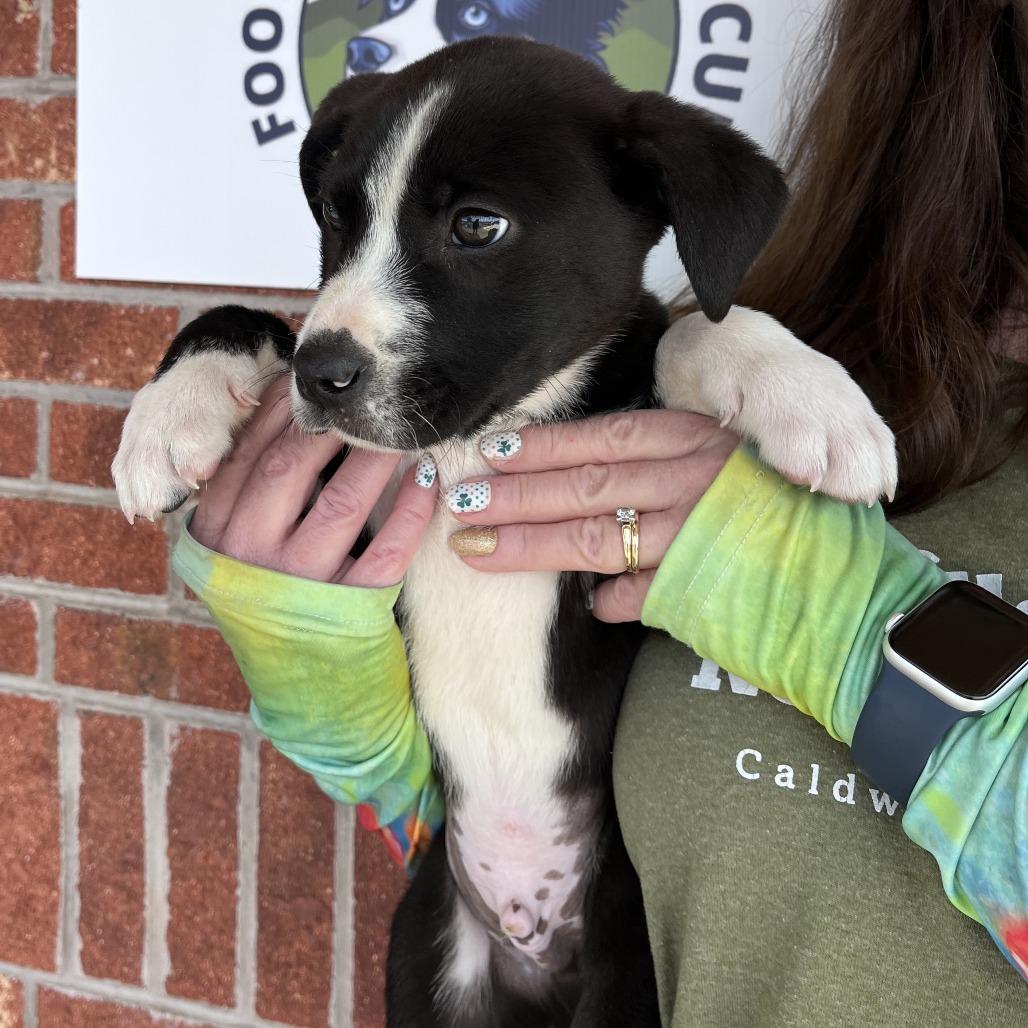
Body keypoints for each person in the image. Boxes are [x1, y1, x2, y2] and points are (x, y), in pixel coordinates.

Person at [173, 0, 1028, 1021]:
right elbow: (460, 792)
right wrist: (362, 737)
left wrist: (874, 646)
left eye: (471, 225)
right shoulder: (803, 347)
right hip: (473, 923)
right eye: (346, 223)